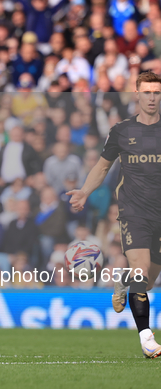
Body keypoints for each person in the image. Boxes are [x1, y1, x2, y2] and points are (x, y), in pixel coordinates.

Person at [67, 71, 161, 358]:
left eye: (157, 92)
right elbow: (103, 166)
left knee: (147, 278)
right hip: (134, 210)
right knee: (142, 270)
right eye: (147, 92)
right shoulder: (122, 130)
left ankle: (125, 281)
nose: (153, 98)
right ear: (137, 94)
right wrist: (84, 191)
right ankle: (146, 338)